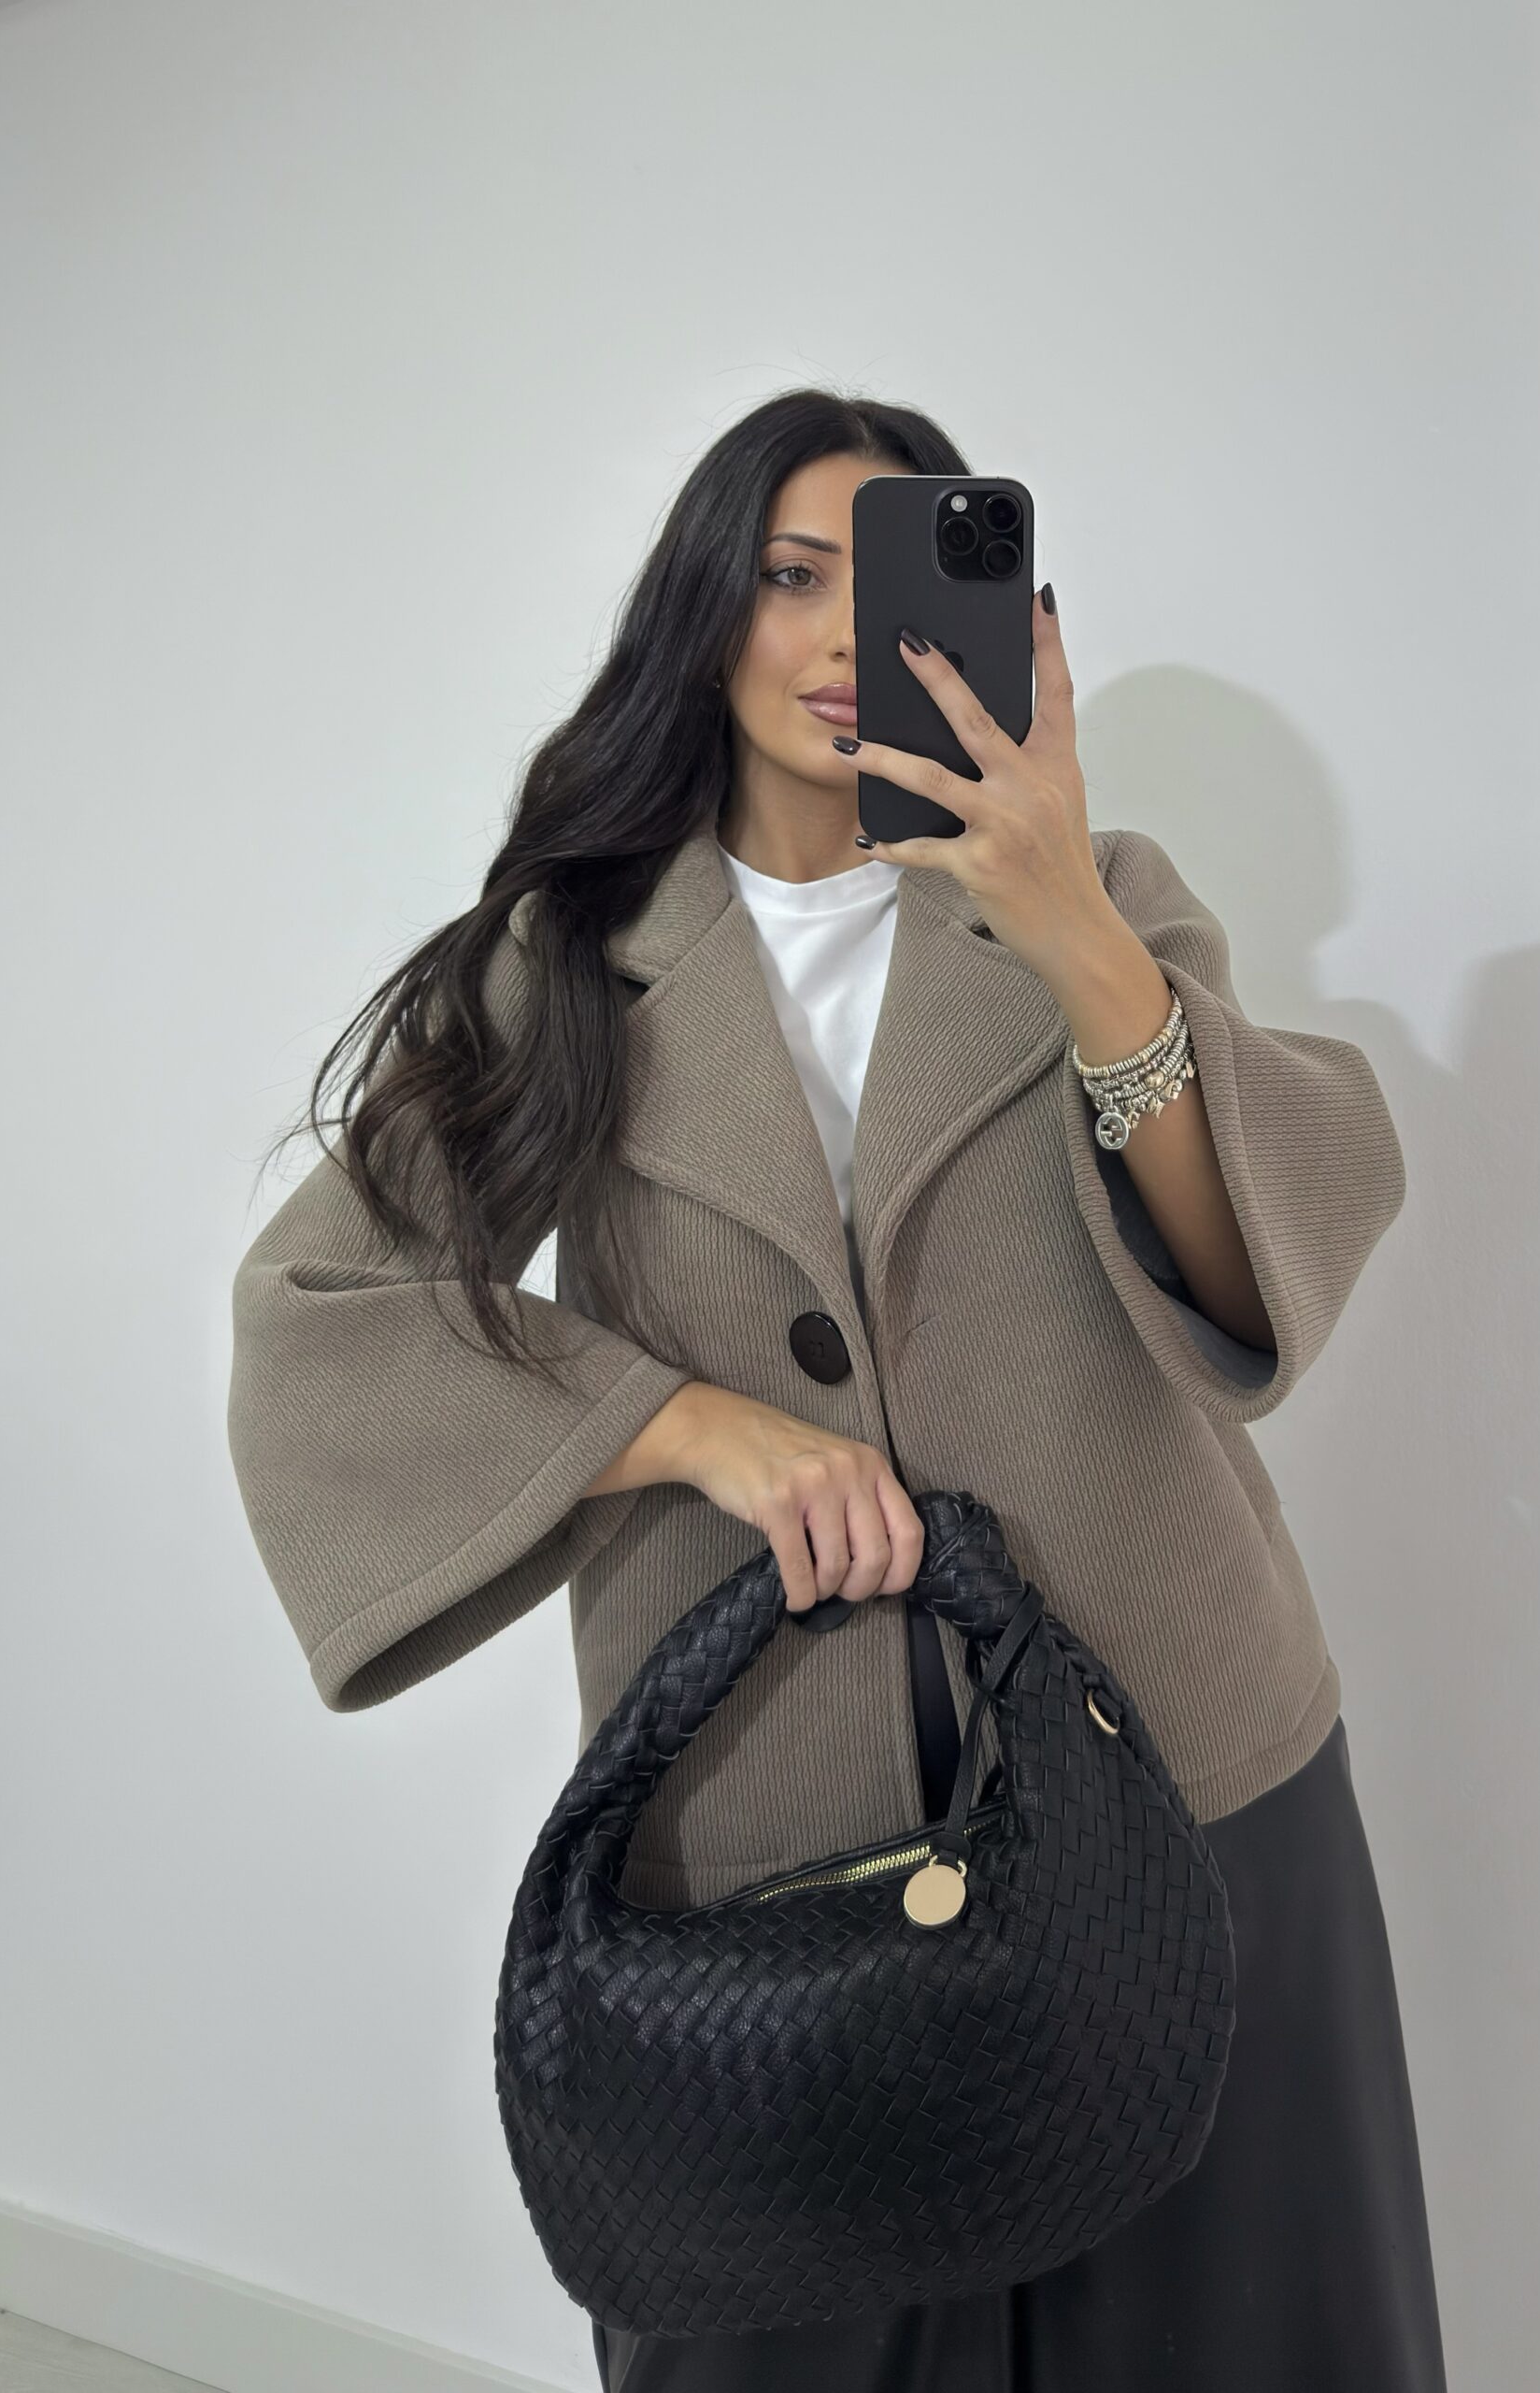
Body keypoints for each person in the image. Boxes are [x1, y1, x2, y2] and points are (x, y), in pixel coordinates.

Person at [226, 390, 1447, 2390]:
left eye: (883, 582)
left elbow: (1251, 1274)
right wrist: (695, 1427)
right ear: (704, 611)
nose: (837, 636)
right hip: (763, 1832)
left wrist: (1071, 929)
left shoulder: (1098, 900)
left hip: (1182, 1771)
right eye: (791, 575)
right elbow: (325, 1309)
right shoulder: (567, 963)